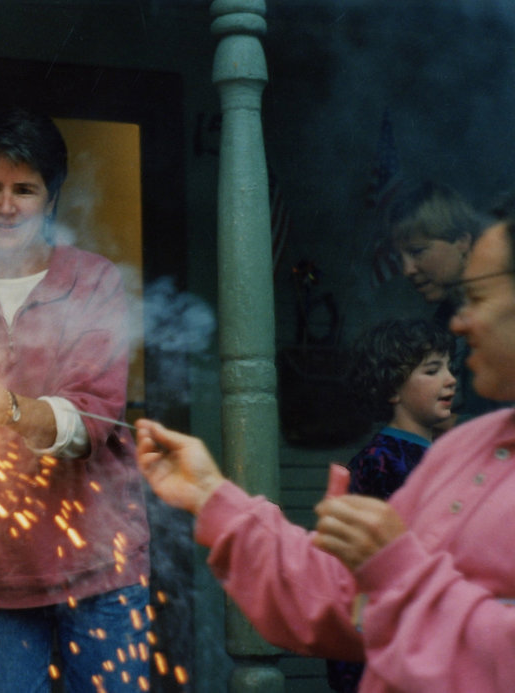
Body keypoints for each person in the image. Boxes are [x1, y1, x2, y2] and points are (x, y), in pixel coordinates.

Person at [136, 218, 515, 693]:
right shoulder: (461, 448)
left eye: (477, 298)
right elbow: (344, 599)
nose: (459, 321)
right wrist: (213, 495)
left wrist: (398, 571)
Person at [0, 108, 151, 691]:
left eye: (25, 189)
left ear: (52, 197)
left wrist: (12, 409)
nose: (6, 205)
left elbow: (94, 415)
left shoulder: (94, 281)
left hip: (102, 568)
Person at [324, 318, 455, 692]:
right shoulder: (381, 461)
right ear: (392, 389)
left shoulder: (442, 456)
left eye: (449, 367)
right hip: (388, 652)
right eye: (433, 370)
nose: (451, 379)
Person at [387, 181, 492, 420]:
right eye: (400, 257)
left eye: (417, 251)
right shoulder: (444, 321)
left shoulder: (502, 317)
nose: (407, 269)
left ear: (462, 242)